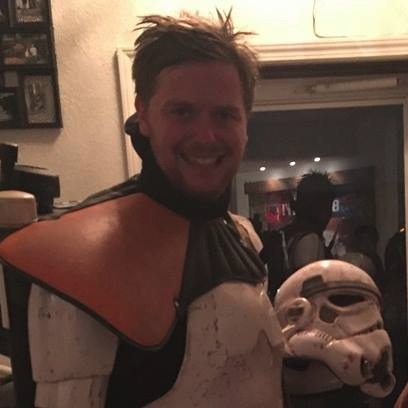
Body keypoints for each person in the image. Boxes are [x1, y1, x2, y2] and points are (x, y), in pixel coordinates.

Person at [0, 11, 285, 408]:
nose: (206, 136)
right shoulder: (77, 259)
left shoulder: (243, 238)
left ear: (245, 123)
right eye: (182, 112)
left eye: (224, 114)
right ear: (144, 114)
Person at [261, 171, 335, 298]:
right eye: (328, 206)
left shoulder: (282, 235)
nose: (329, 213)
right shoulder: (310, 239)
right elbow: (307, 292)